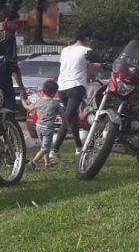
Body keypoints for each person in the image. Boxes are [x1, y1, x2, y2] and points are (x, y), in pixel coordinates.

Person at [50, 26, 97, 159]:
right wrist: (94, 77)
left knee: (72, 117)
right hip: (76, 87)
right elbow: (91, 71)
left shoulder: (65, 50)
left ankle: (78, 147)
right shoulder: (87, 51)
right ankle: (55, 149)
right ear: (87, 38)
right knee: (68, 116)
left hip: (62, 87)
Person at [23, 79, 63, 169]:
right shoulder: (55, 104)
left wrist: (22, 99)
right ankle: (32, 164)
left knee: (45, 146)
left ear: (43, 91)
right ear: (54, 93)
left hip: (38, 127)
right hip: (48, 129)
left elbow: (27, 107)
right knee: (45, 148)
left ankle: (47, 165)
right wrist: (66, 124)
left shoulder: (39, 102)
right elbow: (63, 115)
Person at [0, 9, 27, 111]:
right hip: (4, 82)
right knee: (8, 112)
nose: (15, 26)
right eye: (15, 23)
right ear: (7, 20)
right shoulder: (8, 37)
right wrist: (21, 88)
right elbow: (13, 66)